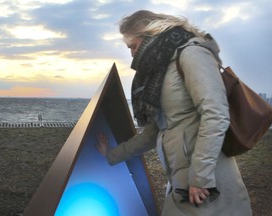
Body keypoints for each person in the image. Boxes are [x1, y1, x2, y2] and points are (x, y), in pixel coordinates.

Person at [98, 10, 252, 216]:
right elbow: (156, 131)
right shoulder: (161, 71)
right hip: (181, 177)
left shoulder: (192, 54)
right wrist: (112, 155)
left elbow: (215, 114)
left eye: (132, 46)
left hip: (206, 181)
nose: (132, 54)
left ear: (149, 33)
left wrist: (200, 178)